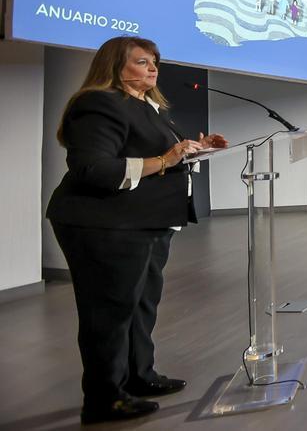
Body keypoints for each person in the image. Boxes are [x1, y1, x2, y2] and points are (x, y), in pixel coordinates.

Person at [47, 36, 228, 424]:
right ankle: (104, 399)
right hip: (102, 223)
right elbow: (94, 169)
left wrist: (194, 149)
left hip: (146, 221)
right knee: (109, 313)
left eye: (155, 62)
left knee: (141, 304)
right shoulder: (98, 103)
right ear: (115, 66)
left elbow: (154, 159)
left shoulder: (149, 106)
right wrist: (167, 157)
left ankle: (139, 377)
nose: (153, 69)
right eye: (142, 62)